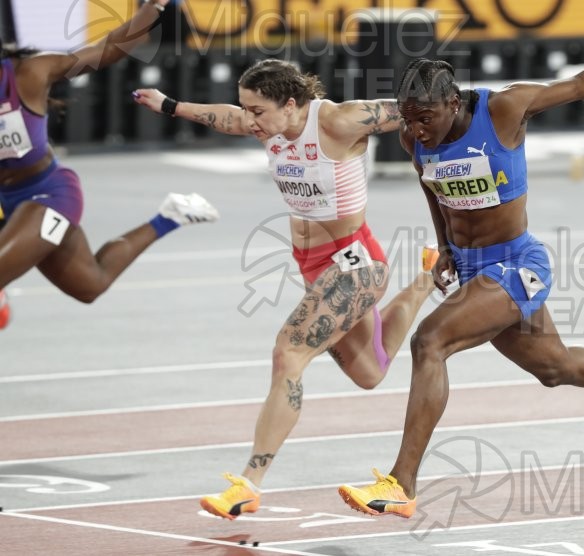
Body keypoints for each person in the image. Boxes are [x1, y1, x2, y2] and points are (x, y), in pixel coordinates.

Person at [337, 15, 584, 518]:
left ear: (454, 103)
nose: (416, 128)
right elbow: (432, 188)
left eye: (425, 117)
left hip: (516, 264)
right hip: (474, 270)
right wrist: (445, 243)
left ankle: (401, 483)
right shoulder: (415, 140)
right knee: (554, 368)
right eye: (409, 118)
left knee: (430, 341)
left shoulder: (504, 109)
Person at [133, 58, 439, 520]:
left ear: (291, 104)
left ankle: (249, 484)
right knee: (370, 371)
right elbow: (225, 117)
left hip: (354, 263)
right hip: (313, 267)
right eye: (247, 110)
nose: (249, 121)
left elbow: (414, 110)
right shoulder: (267, 125)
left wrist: (474, 109)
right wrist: (170, 105)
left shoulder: (336, 120)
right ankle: (428, 277)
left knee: (289, 352)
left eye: (257, 111)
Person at [0, 0, 219, 330]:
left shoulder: (28, 73)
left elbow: (106, 50)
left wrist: (154, 9)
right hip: (5, 202)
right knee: (91, 284)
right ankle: (170, 216)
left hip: (47, 196)